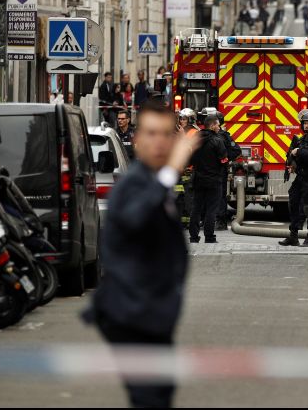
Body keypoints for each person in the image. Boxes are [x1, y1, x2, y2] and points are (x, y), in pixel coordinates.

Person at [83, 100, 200, 409]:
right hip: (133, 313)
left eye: (165, 134)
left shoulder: (152, 181)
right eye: (150, 133)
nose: (159, 141)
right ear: (136, 139)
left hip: (154, 312)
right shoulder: (134, 184)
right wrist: (170, 173)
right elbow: (136, 218)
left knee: (159, 394)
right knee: (150, 398)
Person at [280, 110, 308, 248]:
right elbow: (291, 156)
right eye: (305, 123)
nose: (306, 126)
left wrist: (298, 151)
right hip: (300, 177)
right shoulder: (301, 139)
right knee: (293, 202)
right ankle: (293, 236)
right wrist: (292, 164)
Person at [188, 115, 228, 244]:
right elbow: (224, 160)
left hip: (198, 179)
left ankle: (193, 237)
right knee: (211, 209)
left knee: (196, 208)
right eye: (217, 125)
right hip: (214, 181)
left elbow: (190, 159)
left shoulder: (195, 139)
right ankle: (209, 237)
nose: (219, 127)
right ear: (212, 126)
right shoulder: (217, 140)